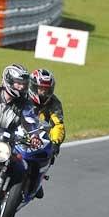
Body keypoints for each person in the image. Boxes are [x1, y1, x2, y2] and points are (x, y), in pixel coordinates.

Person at [27, 69, 64, 198]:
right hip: (18, 129)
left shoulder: (54, 103)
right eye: (41, 88)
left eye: (46, 89)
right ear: (32, 86)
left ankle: (37, 179)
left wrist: (55, 143)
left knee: (49, 154)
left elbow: (58, 125)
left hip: (39, 134)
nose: (43, 92)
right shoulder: (22, 96)